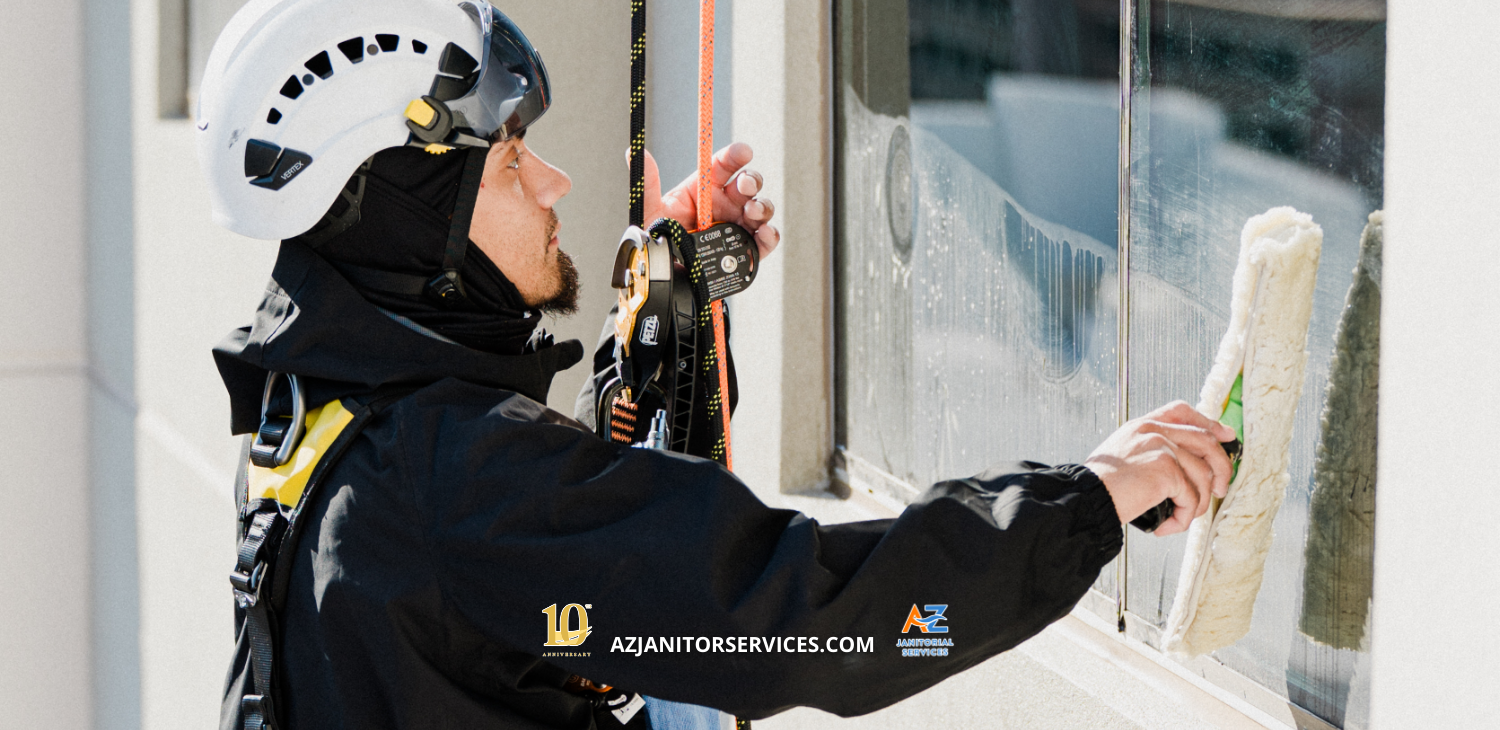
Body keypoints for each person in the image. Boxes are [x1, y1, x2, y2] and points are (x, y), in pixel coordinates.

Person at [198, 1, 1235, 729]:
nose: (556, 181)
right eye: (512, 163)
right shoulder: (450, 482)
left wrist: (664, 324)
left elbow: (532, 554)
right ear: (416, 224)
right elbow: (808, 625)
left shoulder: (324, 415)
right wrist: (1090, 499)